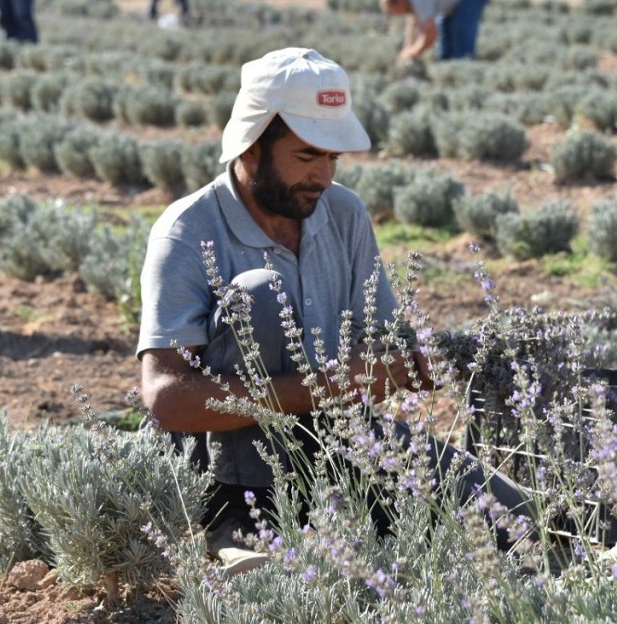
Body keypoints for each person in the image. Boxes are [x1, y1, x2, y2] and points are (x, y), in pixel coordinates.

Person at [136, 47, 529, 573]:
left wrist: (411, 364)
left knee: (516, 520)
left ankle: (316, 520)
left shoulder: (343, 213)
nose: (323, 175)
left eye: (333, 158)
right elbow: (167, 399)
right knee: (259, 293)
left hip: (334, 440)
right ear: (252, 146)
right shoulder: (187, 231)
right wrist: (327, 386)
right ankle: (240, 524)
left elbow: (378, 340)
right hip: (216, 473)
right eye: (306, 156)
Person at [379, 0, 490, 63]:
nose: (396, 14)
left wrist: (413, 52)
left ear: (400, 1)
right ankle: (446, 69)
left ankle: (463, 70)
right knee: (445, 33)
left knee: (461, 37)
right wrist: (407, 47)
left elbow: (430, 36)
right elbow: (412, 21)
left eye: (392, 10)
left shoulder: (420, 0)